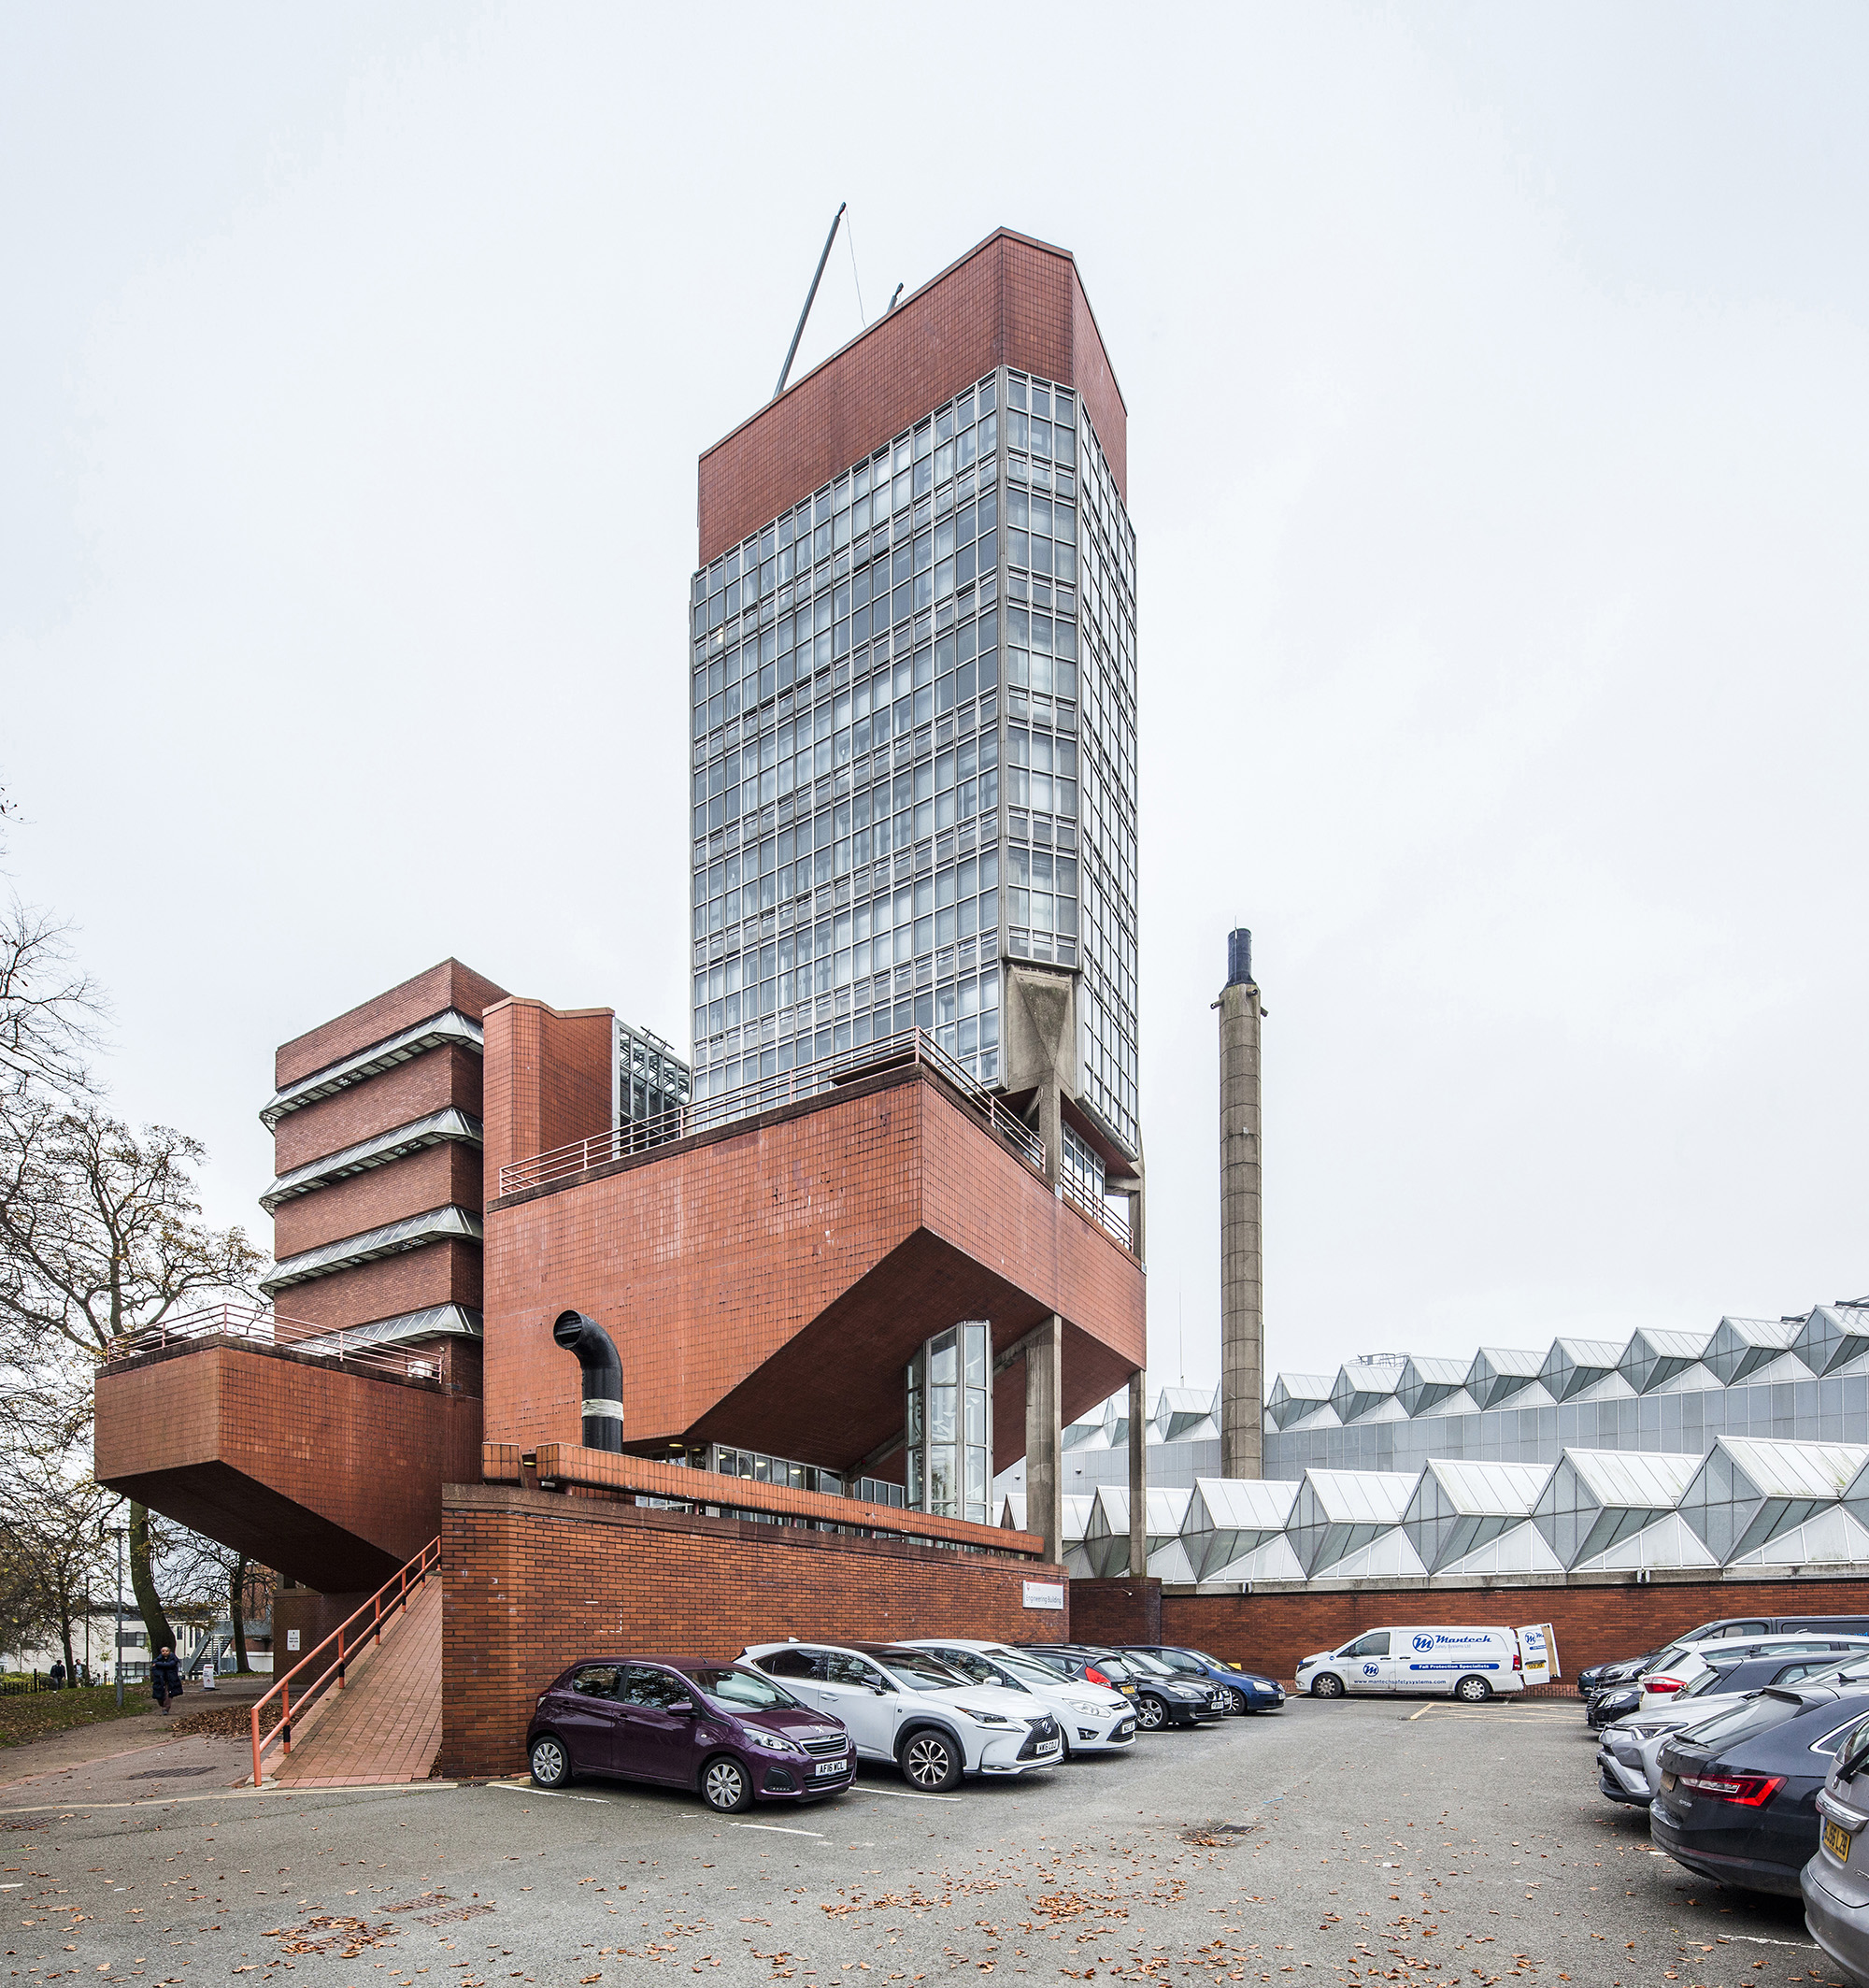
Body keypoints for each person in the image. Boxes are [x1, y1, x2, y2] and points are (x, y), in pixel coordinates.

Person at [150, 1646, 183, 1716]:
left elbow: (170, 1665)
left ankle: (166, 1708)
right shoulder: (158, 1659)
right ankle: (162, 1704)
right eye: (163, 1651)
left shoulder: (173, 1659)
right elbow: (154, 1668)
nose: (164, 1652)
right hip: (160, 1680)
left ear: (169, 1652)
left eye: (166, 1651)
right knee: (159, 1695)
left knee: (168, 1694)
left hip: (171, 1680)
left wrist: (158, 1665)